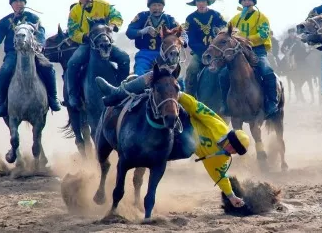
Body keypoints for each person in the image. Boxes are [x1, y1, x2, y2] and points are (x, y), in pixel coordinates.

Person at [98, 73, 251, 208]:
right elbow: (197, 107)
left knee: (185, 150)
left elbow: (219, 176)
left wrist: (231, 197)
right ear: (230, 139)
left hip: (183, 144)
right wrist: (176, 96)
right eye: (233, 147)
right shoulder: (217, 126)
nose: (232, 151)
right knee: (159, 77)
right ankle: (116, 93)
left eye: (235, 151)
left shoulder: (221, 159)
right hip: (185, 120)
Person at [0, 0, 61, 117]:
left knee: (48, 68)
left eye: (21, 1)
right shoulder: (5, 21)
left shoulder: (33, 18)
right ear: (11, 4)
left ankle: (53, 99)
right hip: (13, 53)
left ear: (25, 3)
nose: (19, 4)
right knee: (3, 73)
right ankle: (1, 104)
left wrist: (40, 45)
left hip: (33, 51)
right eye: (16, 1)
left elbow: (40, 33)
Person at [66, 0, 130, 109]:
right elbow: (72, 31)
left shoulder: (103, 5)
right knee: (72, 63)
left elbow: (117, 16)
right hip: (87, 45)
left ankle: (123, 89)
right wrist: (84, 36)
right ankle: (73, 95)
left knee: (124, 58)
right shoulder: (75, 12)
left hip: (106, 41)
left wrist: (112, 26)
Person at [222, 0, 279, 118]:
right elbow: (227, 34)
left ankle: (272, 102)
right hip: (238, 51)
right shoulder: (235, 19)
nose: (246, 2)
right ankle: (225, 104)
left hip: (258, 50)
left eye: (249, 0)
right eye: (244, 0)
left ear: (254, 2)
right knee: (223, 73)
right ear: (240, 3)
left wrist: (244, 39)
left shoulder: (262, 17)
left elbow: (263, 35)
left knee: (267, 70)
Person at [126, 0, 188, 76]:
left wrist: (183, 41)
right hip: (145, 54)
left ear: (163, 6)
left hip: (165, 55)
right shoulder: (142, 16)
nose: (157, 8)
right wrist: (143, 31)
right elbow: (129, 32)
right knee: (139, 73)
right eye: (154, 5)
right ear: (149, 6)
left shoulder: (169, 19)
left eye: (159, 5)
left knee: (177, 78)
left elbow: (182, 32)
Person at [184, 0, 227, 95]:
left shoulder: (217, 15)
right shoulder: (190, 19)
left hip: (218, 52)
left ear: (207, 2)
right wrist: (203, 51)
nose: (201, 4)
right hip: (200, 53)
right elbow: (191, 39)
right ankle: (190, 97)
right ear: (195, 3)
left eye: (203, 1)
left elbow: (225, 30)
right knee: (191, 69)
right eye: (198, 1)